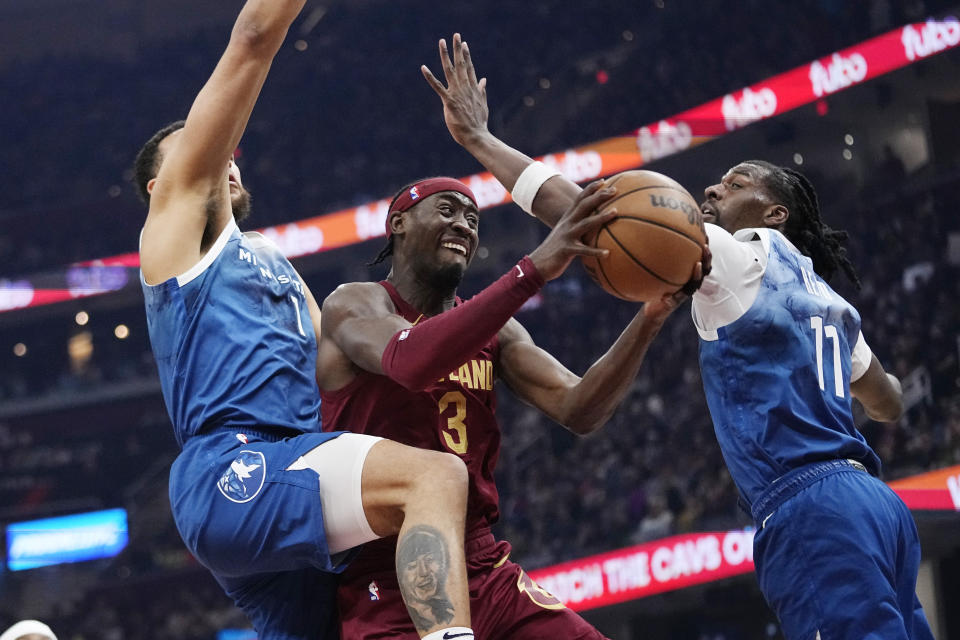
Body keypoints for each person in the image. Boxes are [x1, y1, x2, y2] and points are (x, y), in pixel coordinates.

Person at [422, 33, 935, 640]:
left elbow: (585, 212)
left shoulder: (743, 254)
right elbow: (890, 401)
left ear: (776, 216)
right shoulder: (830, 302)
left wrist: (480, 140)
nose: (714, 190)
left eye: (738, 181)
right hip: (880, 507)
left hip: (811, 508)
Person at [132, 4, 478, 639]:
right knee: (434, 476)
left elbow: (345, 373)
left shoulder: (271, 260)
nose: (221, 155)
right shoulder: (175, 239)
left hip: (293, 469)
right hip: (234, 467)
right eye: (198, 152)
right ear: (162, 189)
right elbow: (254, 38)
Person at [316, 169, 704, 637]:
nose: (463, 224)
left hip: (480, 561)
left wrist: (650, 318)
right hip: (388, 568)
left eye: (473, 218)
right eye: (446, 210)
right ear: (398, 223)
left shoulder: (496, 332)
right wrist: (534, 268)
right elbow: (409, 361)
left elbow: (579, 408)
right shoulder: (353, 304)